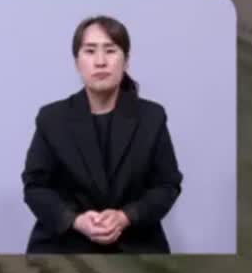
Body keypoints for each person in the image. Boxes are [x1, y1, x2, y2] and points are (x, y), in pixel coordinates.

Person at [23, 15, 184, 254]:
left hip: (135, 243)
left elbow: (167, 184)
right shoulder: (51, 118)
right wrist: (76, 221)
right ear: (77, 62)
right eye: (89, 51)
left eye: (110, 50)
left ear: (126, 60)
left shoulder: (152, 117)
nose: (100, 61)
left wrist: (125, 217)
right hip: (65, 243)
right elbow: (35, 187)